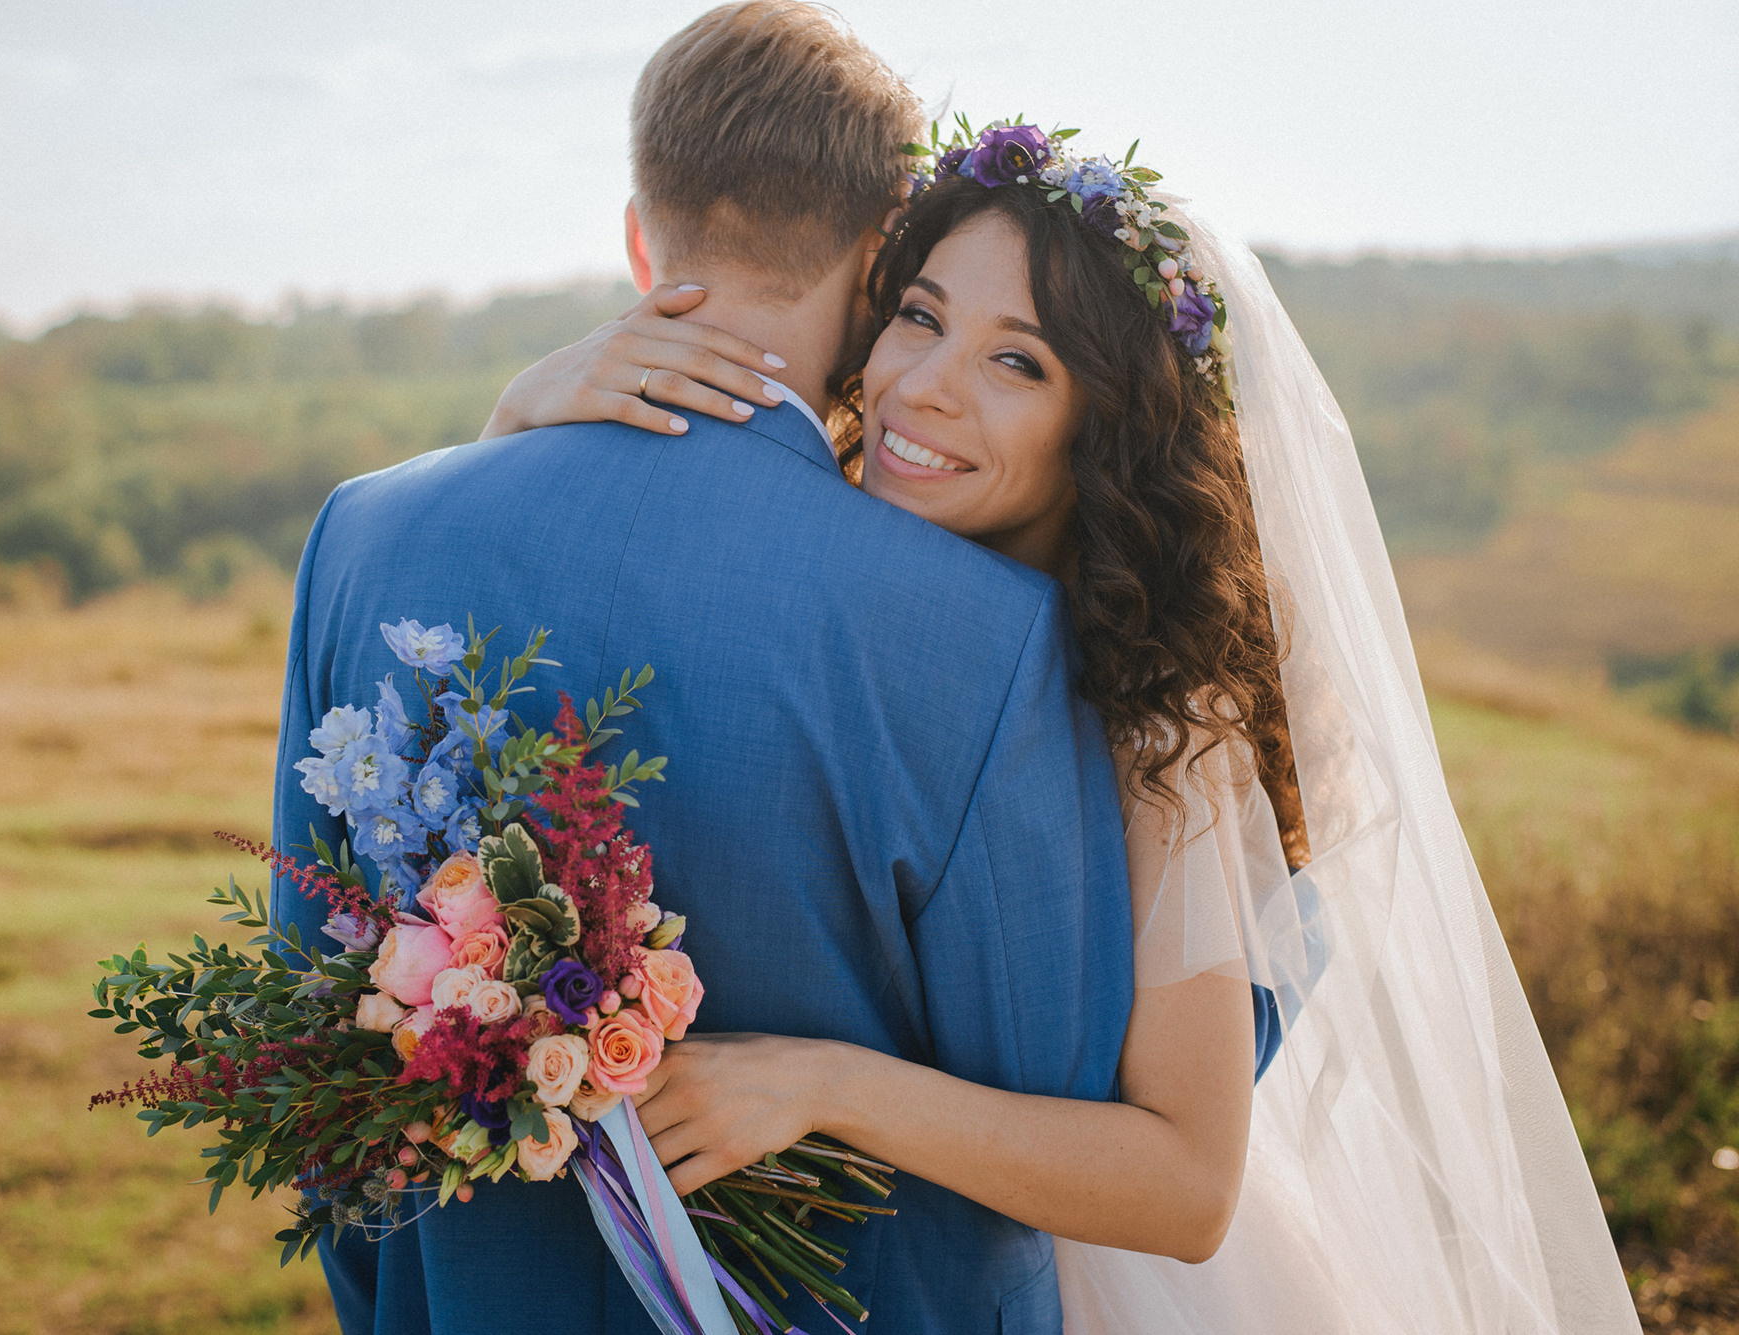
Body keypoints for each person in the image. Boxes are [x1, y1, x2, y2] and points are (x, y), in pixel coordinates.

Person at [479, 41, 1643, 1335]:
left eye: (1016, 362)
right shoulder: (857, 581)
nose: (922, 384)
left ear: (1107, 424)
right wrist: (521, 417)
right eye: (918, 315)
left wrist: (823, 1084)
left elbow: (1190, 1187)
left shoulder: (1165, 719)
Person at [272, 6, 1139, 1333]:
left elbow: (316, 1041)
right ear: (877, 260)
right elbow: (1057, 1095)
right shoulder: (986, 626)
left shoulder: (365, 534)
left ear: (640, 233)